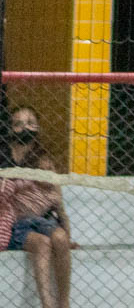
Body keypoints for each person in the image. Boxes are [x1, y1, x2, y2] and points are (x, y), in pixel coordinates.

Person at [1, 107, 74, 308]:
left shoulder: (43, 159)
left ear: (38, 128)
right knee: (42, 242)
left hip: (44, 218)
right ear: (10, 128)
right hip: (17, 221)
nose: (25, 128)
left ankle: (64, 302)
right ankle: (46, 304)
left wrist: (67, 229)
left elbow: (57, 199)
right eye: (18, 124)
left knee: (60, 238)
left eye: (31, 123)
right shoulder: (4, 156)